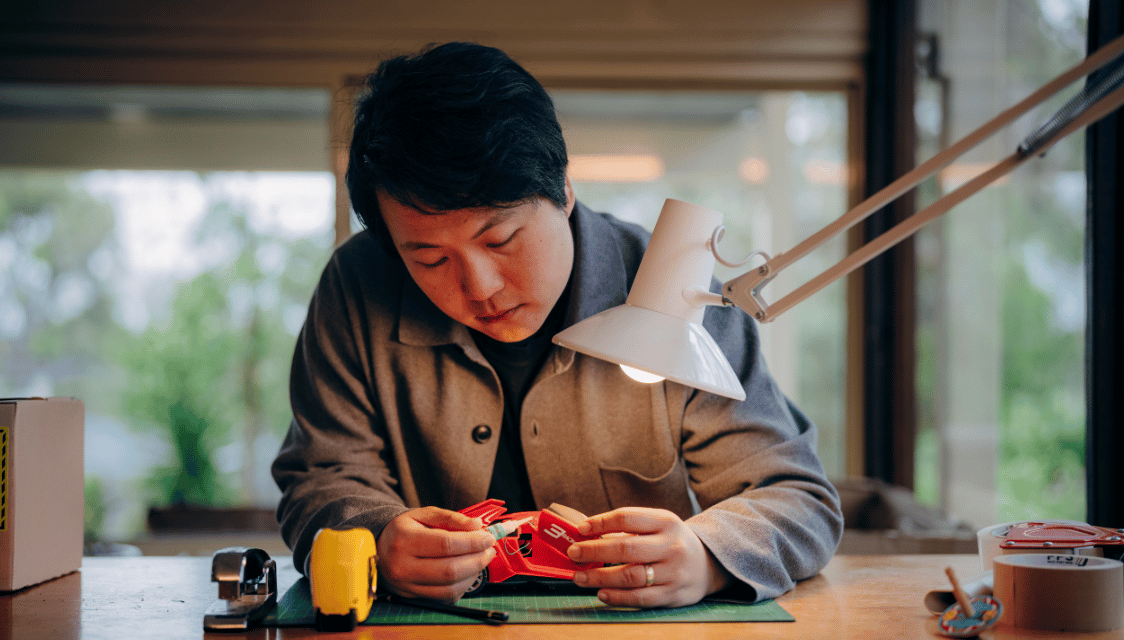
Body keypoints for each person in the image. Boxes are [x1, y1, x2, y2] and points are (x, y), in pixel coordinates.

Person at [272, 41, 842, 609]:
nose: (480, 287)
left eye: (500, 239)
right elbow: (322, 478)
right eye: (430, 259)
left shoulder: (675, 295)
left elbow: (795, 497)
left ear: (563, 190)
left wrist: (706, 557)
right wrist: (378, 540)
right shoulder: (357, 288)